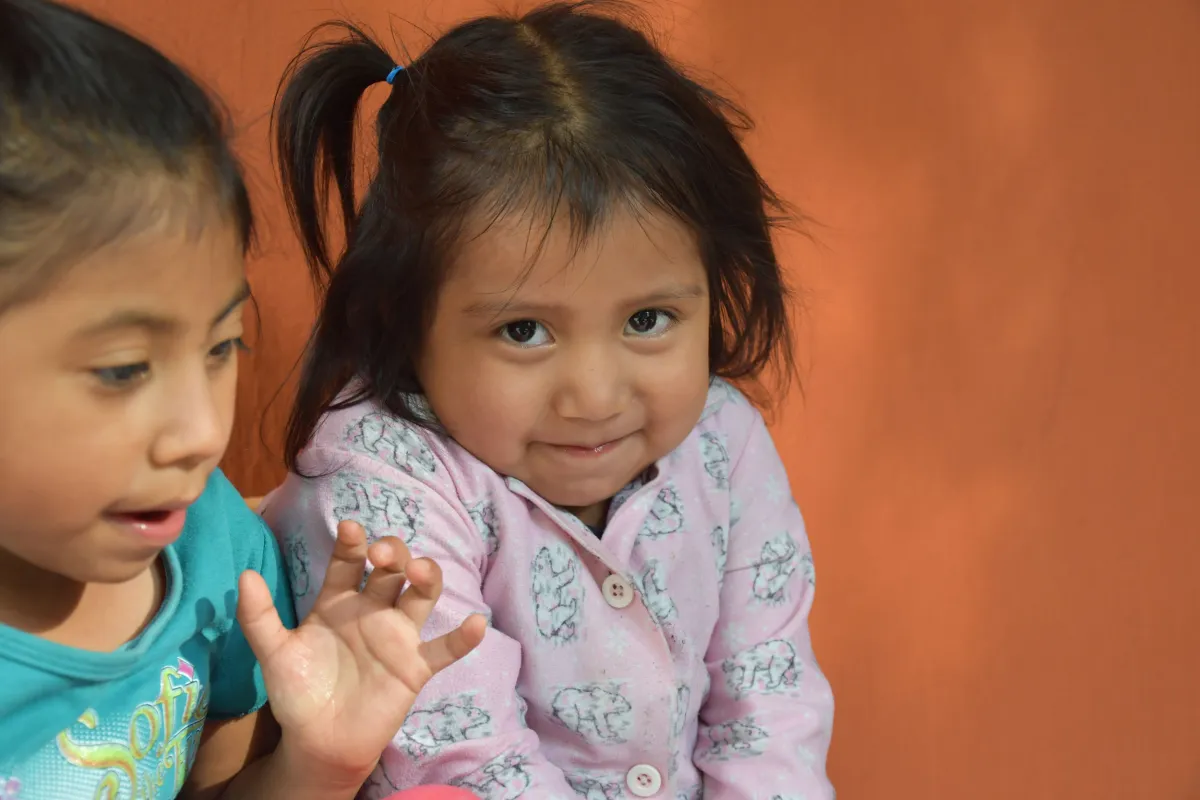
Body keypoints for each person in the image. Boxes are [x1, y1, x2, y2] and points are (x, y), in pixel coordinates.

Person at [263, 1, 835, 798]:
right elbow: (463, 762)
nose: (596, 396)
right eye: (525, 331)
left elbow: (768, 702)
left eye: (647, 320)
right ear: (403, 313)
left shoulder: (721, 436)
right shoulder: (379, 486)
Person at [0, 1, 486, 798]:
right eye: (123, 369)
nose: (200, 434)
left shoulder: (215, 552)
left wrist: (322, 760)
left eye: (221, 347)